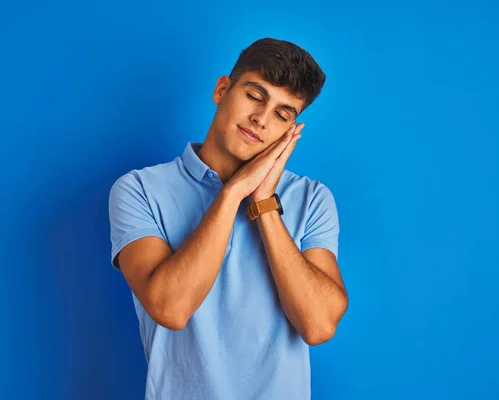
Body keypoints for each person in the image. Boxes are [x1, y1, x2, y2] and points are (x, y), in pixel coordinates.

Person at [108, 37, 348, 399]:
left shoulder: (312, 198)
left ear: (290, 130)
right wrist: (233, 192)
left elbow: (317, 325)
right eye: (255, 95)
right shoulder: (138, 189)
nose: (261, 119)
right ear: (223, 89)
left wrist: (263, 201)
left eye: (283, 114)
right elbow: (170, 308)